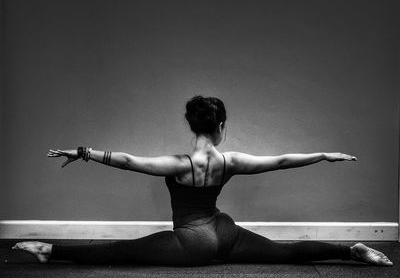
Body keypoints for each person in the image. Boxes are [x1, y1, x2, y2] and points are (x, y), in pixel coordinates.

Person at [12, 95, 393, 266]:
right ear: (221, 127)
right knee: (287, 253)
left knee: (117, 251)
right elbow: (280, 161)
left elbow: (127, 161)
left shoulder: (177, 164)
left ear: (191, 125)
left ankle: (50, 251)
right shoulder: (230, 161)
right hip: (225, 233)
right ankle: (351, 251)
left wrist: (82, 152)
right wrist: (324, 155)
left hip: (191, 243)